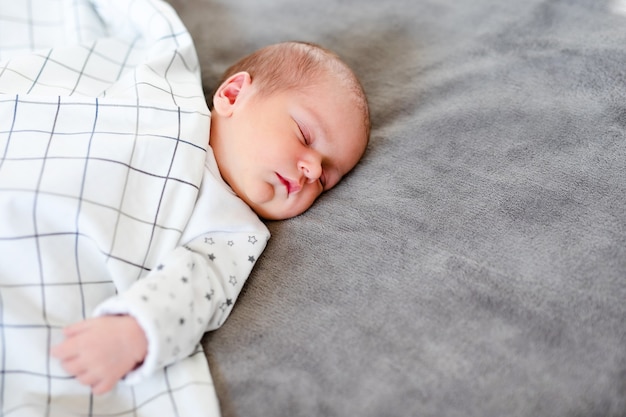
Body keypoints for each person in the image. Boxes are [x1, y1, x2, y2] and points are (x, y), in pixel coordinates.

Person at [49, 40, 370, 395]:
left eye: (325, 179)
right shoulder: (167, 99)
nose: (311, 169)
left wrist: (135, 331)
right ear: (233, 96)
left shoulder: (234, 227)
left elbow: (198, 286)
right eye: (304, 135)